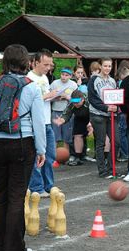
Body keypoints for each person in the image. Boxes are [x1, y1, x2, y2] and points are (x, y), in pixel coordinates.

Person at [0, 44, 46, 251]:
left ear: (5, 61)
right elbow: (38, 122)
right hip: (21, 143)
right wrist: (41, 149)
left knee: (0, 195)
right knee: (17, 197)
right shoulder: (31, 87)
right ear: (26, 62)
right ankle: (14, 249)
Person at [27, 49, 56, 198]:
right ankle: (36, 187)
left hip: (47, 121)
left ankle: (49, 186)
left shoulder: (45, 77)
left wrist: (55, 96)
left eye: (50, 64)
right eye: (45, 64)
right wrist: (48, 95)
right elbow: (31, 100)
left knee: (50, 156)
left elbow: (46, 98)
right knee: (36, 156)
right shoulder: (28, 78)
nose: (48, 67)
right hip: (35, 124)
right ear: (36, 63)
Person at [88, 57, 120, 178]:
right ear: (100, 66)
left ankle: (111, 168)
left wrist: (116, 107)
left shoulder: (112, 81)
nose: (107, 68)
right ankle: (102, 171)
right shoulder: (94, 80)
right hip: (98, 115)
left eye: (109, 66)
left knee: (116, 141)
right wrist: (106, 108)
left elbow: (116, 96)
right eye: (105, 66)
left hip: (111, 115)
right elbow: (92, 99)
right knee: (100, 143)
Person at [54, 90, 90, 166]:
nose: (75, 104)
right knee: (77, 135)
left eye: (77, 102)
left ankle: (104, 156)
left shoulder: (88, 102)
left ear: (82, 99)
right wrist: (62, 120)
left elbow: (95, 113)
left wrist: (91, 123)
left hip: (92, 116)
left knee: (98, 135)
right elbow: (67, 113)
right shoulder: (72, 104)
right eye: (74, 102)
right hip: (79, 118)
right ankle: (78, 157)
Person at [50, 67, 78, 150]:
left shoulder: (73, 84)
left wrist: (67, 97)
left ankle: (65, 157)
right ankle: (54, 158)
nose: (64, 77)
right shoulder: (54, 83)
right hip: (56, 111)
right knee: (55, 136)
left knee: (67, 137)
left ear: (70, 76)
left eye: (66, 75)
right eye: (62, 74)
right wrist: (55, 98)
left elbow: (78, 100)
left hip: (68, 113)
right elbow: (48, 97)